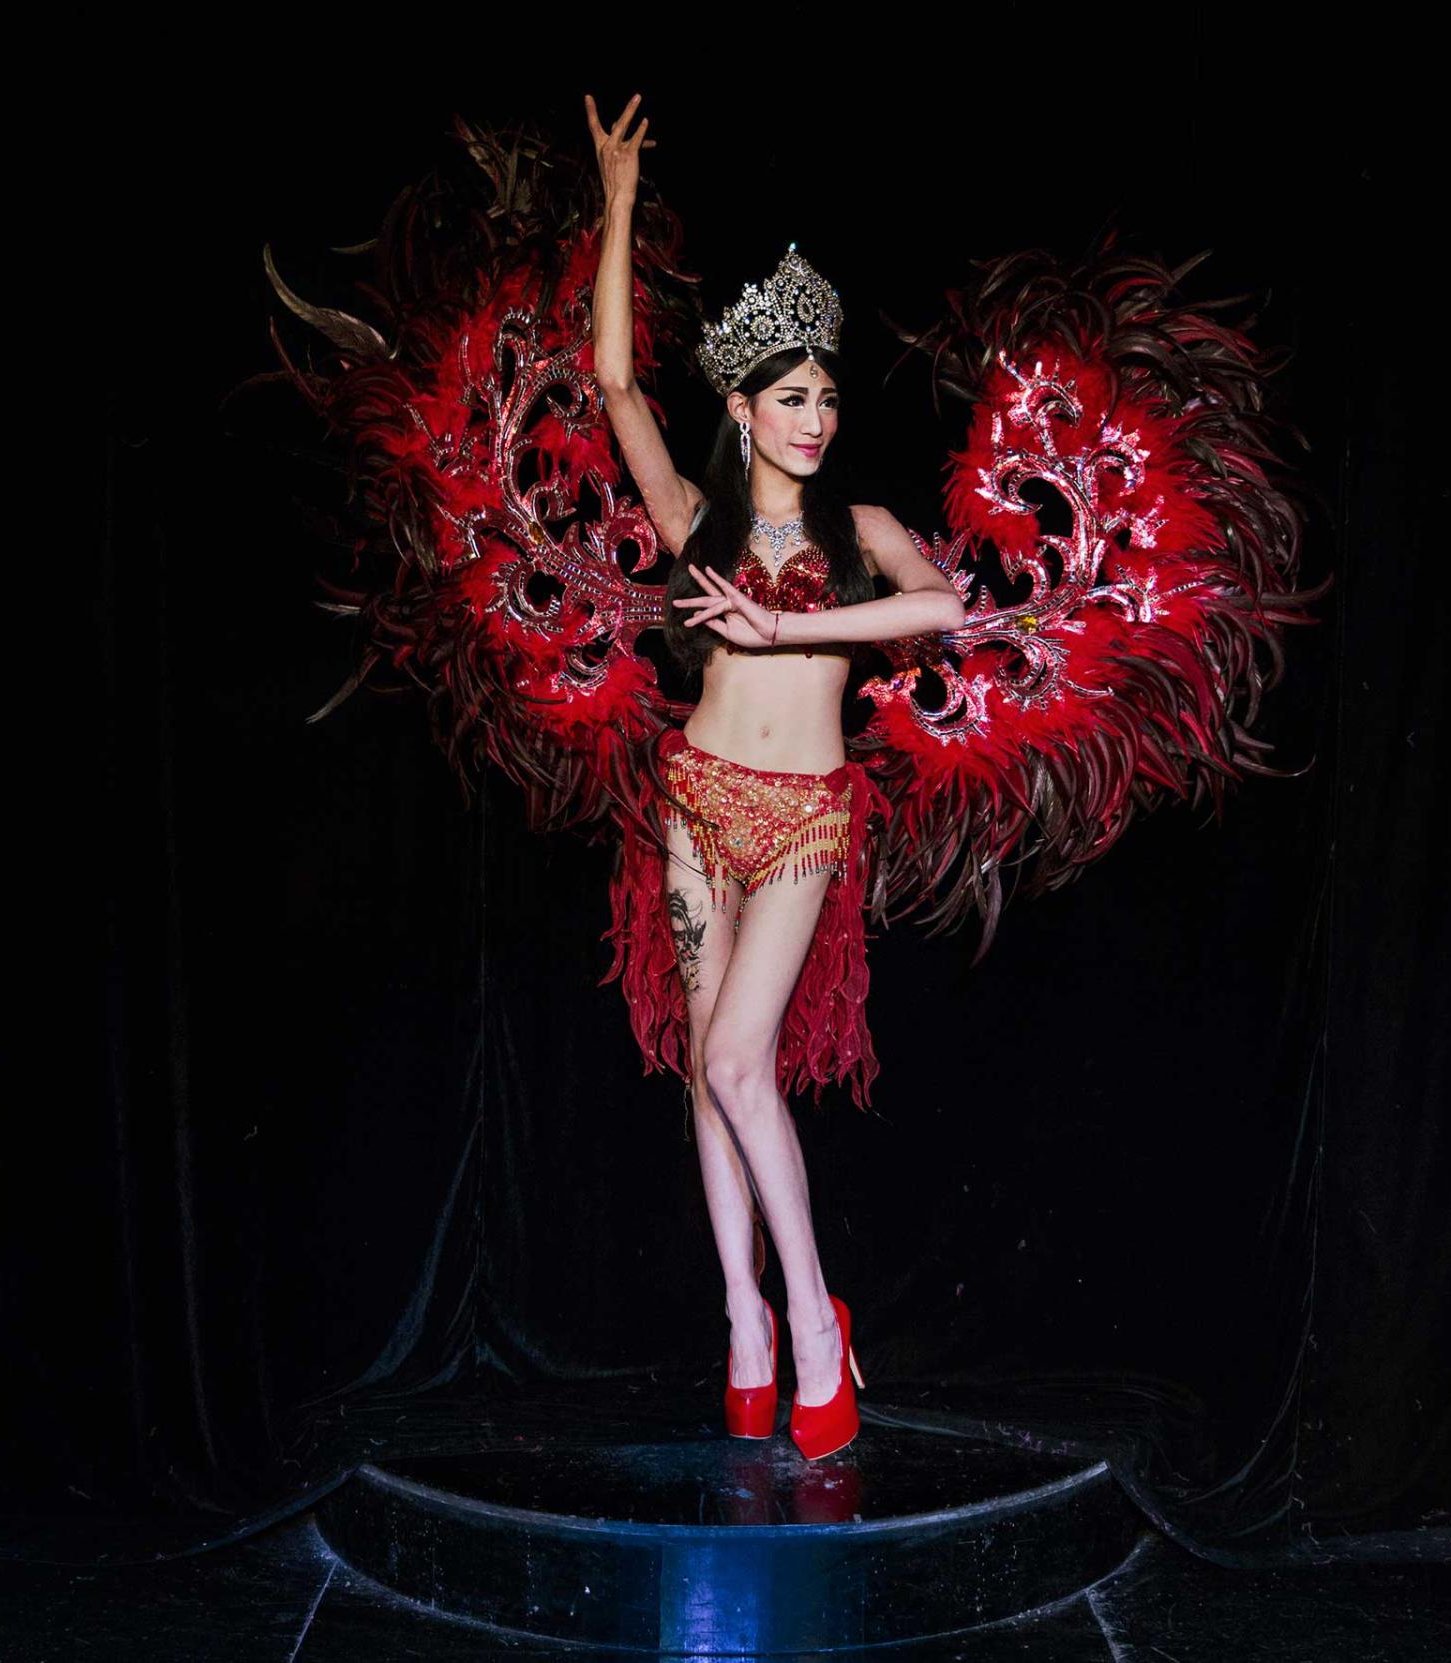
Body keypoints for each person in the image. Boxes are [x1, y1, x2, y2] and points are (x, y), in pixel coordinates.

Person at [585, 92, 966, 1461]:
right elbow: (619, 385)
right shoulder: (691, 517)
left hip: (802, 819)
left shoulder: (860, 528)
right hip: (695, 805)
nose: (816, 418)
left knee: (746, 1059)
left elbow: (948, 607)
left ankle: (815, 1316)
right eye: (792, 398)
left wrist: (791, 624)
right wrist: (620, 204)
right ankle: (741, 1318)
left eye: (826, 397)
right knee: (705, 1068)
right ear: (742, 407)